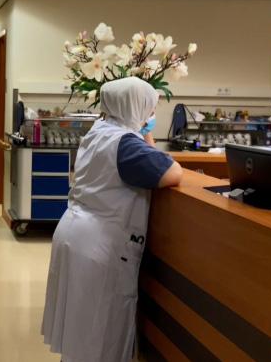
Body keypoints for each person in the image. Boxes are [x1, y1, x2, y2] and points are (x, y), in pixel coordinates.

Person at [41, 76, 182, 361]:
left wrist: (142, 129)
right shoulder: (126, 145)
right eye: (149, 109)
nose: (152, 116)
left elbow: (151, 159)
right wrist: (146, 130)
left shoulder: (99, 131)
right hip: (100, 246)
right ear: (136, 107)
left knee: (80, 336)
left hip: (75, 233)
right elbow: (172, 172)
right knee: (100, 336)